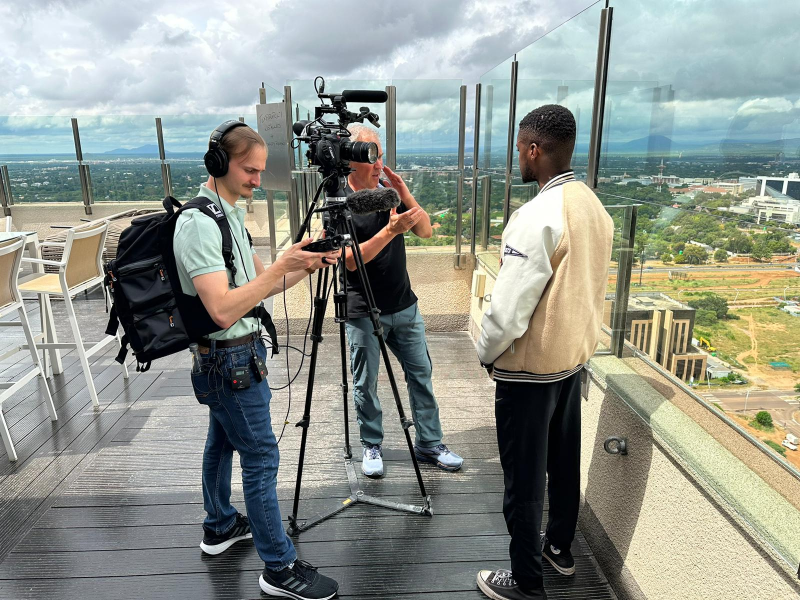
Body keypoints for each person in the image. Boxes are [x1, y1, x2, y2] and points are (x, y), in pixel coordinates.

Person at [174, 120, 341, 600]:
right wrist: (282, 269)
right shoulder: (200, 224)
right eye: (249, 170)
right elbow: (223, 308)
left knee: (223, 442)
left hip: (237, 356)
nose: (256, 181)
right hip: (227, 361)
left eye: (261, 171)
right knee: (262, 456)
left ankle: (220, 526)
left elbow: (254, 292)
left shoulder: (227, 216)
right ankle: (279, 565)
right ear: (218, 164)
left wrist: (298, 265)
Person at [475, 105, 614, 600]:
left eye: (519, 148)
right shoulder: (593, 206)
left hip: (530, 373)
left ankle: (526, 583)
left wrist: (486, 352)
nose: (518, 157)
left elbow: (509, 310)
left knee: (524, 481)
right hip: (573, 362)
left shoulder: (537, 215)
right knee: (563, 463)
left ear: (534, 150)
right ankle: (559, 548)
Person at [340, 123, 464, 479]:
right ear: (351, 159)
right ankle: (372, 443)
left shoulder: (389, 193)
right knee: (366, 382)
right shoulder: (341, 201)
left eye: (380, 154)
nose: (378, 163)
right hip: (363, 309)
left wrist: (405, 192)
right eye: (370, 156)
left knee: (421, 374)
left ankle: (430, 443)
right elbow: (350, 260)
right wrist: (390, 231)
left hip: (404, 305)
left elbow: (424, 230)